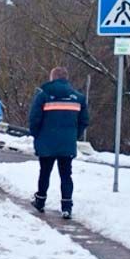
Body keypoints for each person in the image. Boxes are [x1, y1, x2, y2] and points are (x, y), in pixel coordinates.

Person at [28, 67, 90, 219]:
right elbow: (84, 121)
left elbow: (34, 119)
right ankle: (67, 207)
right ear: (66, 79)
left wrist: (37, 135)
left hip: (47, 142)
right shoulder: (78, 98)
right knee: (66, 175)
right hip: (67, 143)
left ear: (52, 78)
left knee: (44, 172)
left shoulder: (43, 95)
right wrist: (74, 135)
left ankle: (40, 201)